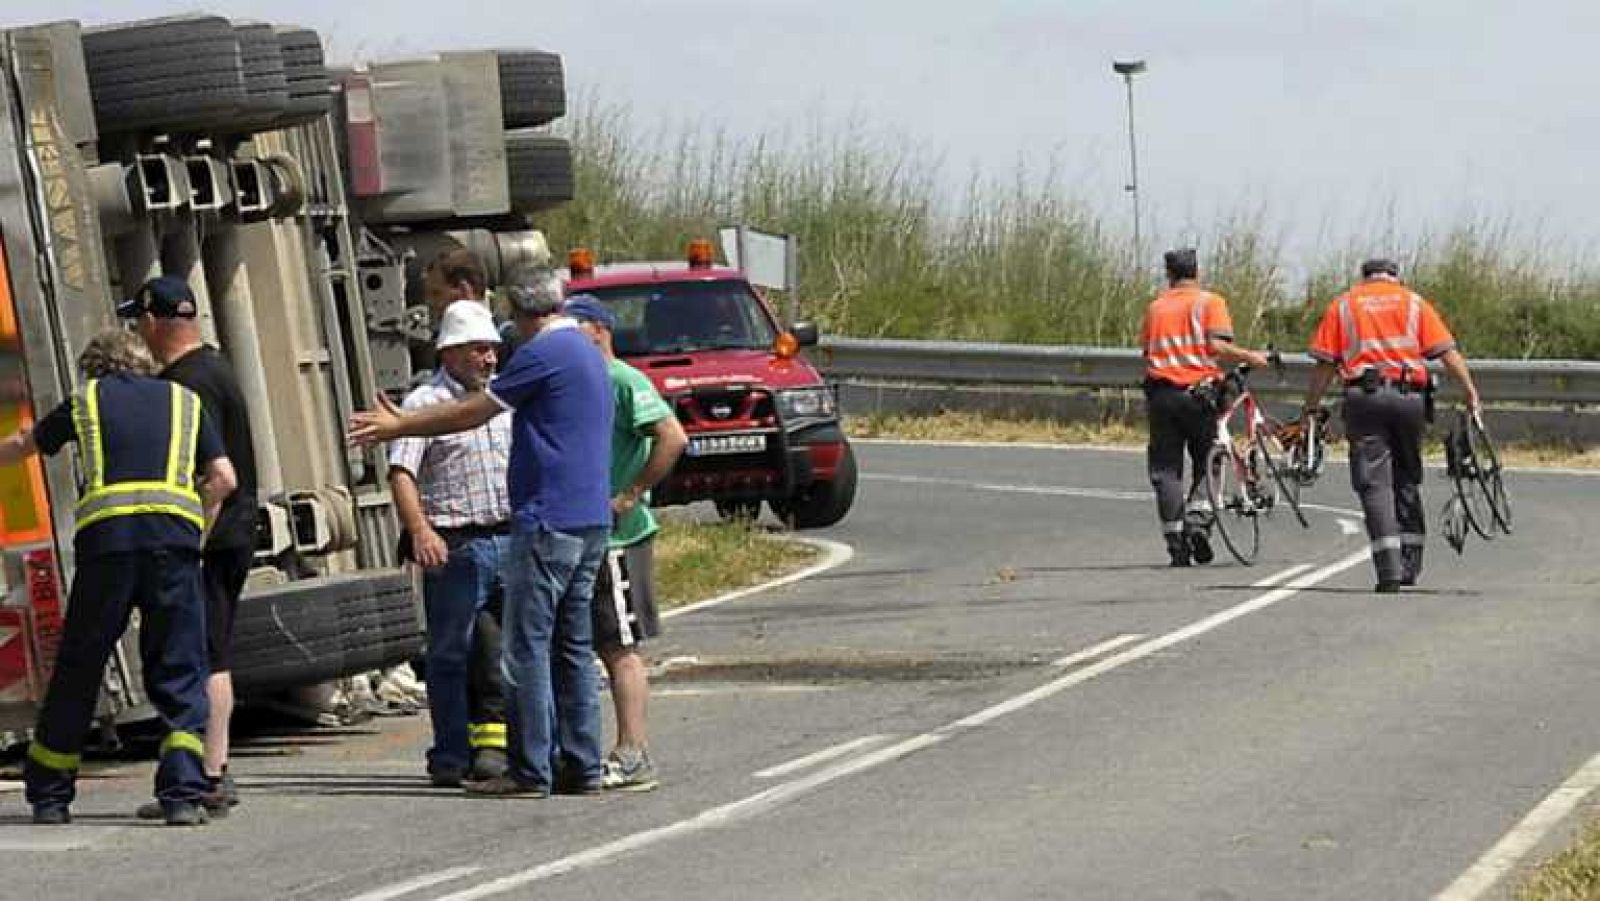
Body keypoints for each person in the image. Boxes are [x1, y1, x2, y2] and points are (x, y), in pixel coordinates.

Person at [349, 270, 614, 797]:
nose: (493, 355)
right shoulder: (586, 352)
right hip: (578, 520)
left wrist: (398, 425)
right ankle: (578, 762)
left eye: (499, 339)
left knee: (524, 650)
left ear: (521, 316)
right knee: (568, 646)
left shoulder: (542, 355)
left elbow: (477, 411)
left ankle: (531, 768)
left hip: (547, 521)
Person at [0, 329, 235, 826]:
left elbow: (27, 444)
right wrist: (197, 533)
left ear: (95, 367)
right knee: (179, 665)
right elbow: (224, 479)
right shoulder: (185, 401)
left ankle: (50, 795)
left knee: (81, 666)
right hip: (172, 546)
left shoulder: (86, 401)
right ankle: (182, 795)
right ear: (141, 362)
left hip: (108, 550)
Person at [118, 276, 258, 819]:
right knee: (210, 650)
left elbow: (216, 477)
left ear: (153, 321)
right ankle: (210, 771)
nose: (139, 332)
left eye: (139, 320)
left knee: (205, 654)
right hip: (234, 533)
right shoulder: (215, 367)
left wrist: (191, 537)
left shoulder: (187, 384)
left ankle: (208, 774)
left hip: (214, 536)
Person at [387, 300, 514, 786]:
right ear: (451, 353)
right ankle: (450, 751)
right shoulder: (424, 405)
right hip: (456, 545)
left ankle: (495, 744)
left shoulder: (502, 399)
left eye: (492, 349)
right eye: (479, 350)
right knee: (448, 652)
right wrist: (421, 531)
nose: (488, 359)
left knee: (499, 649)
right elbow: (403, 472)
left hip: (506, 535)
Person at [1301, 258, 1482, 592]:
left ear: (1364, 277)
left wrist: (1310, 408)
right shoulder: (1414, 302)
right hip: (1410, 398)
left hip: (1365, 400)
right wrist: (1470, 391)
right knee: (1407, 477)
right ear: (1396, 277)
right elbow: (1447, 351)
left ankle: (1389, 571)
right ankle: (1411, 562)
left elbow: (1325, 366)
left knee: (1374, 484)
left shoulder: (1344, 305)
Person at [565, 296, 687, 792]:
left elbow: (671, 437)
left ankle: (633, 751)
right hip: (586, 531)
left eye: (574, 329)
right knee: (591, 642)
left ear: (599, 329)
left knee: (619, 645)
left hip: (618, 535)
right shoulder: (586, 382)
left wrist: (631, 493)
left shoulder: (621, 380)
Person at [1140, 248, 1271, 567]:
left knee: (1166, 470)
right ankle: (1198, 521)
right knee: (1208, 460)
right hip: (1199, 394)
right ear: (1197, 272)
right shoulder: (1210, 303)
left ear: (1168, 275)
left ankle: (1175, 543)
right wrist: (1251, 357)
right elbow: (1217, 346)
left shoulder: (1155, 308)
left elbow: (1146, 350)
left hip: (1160, 395)